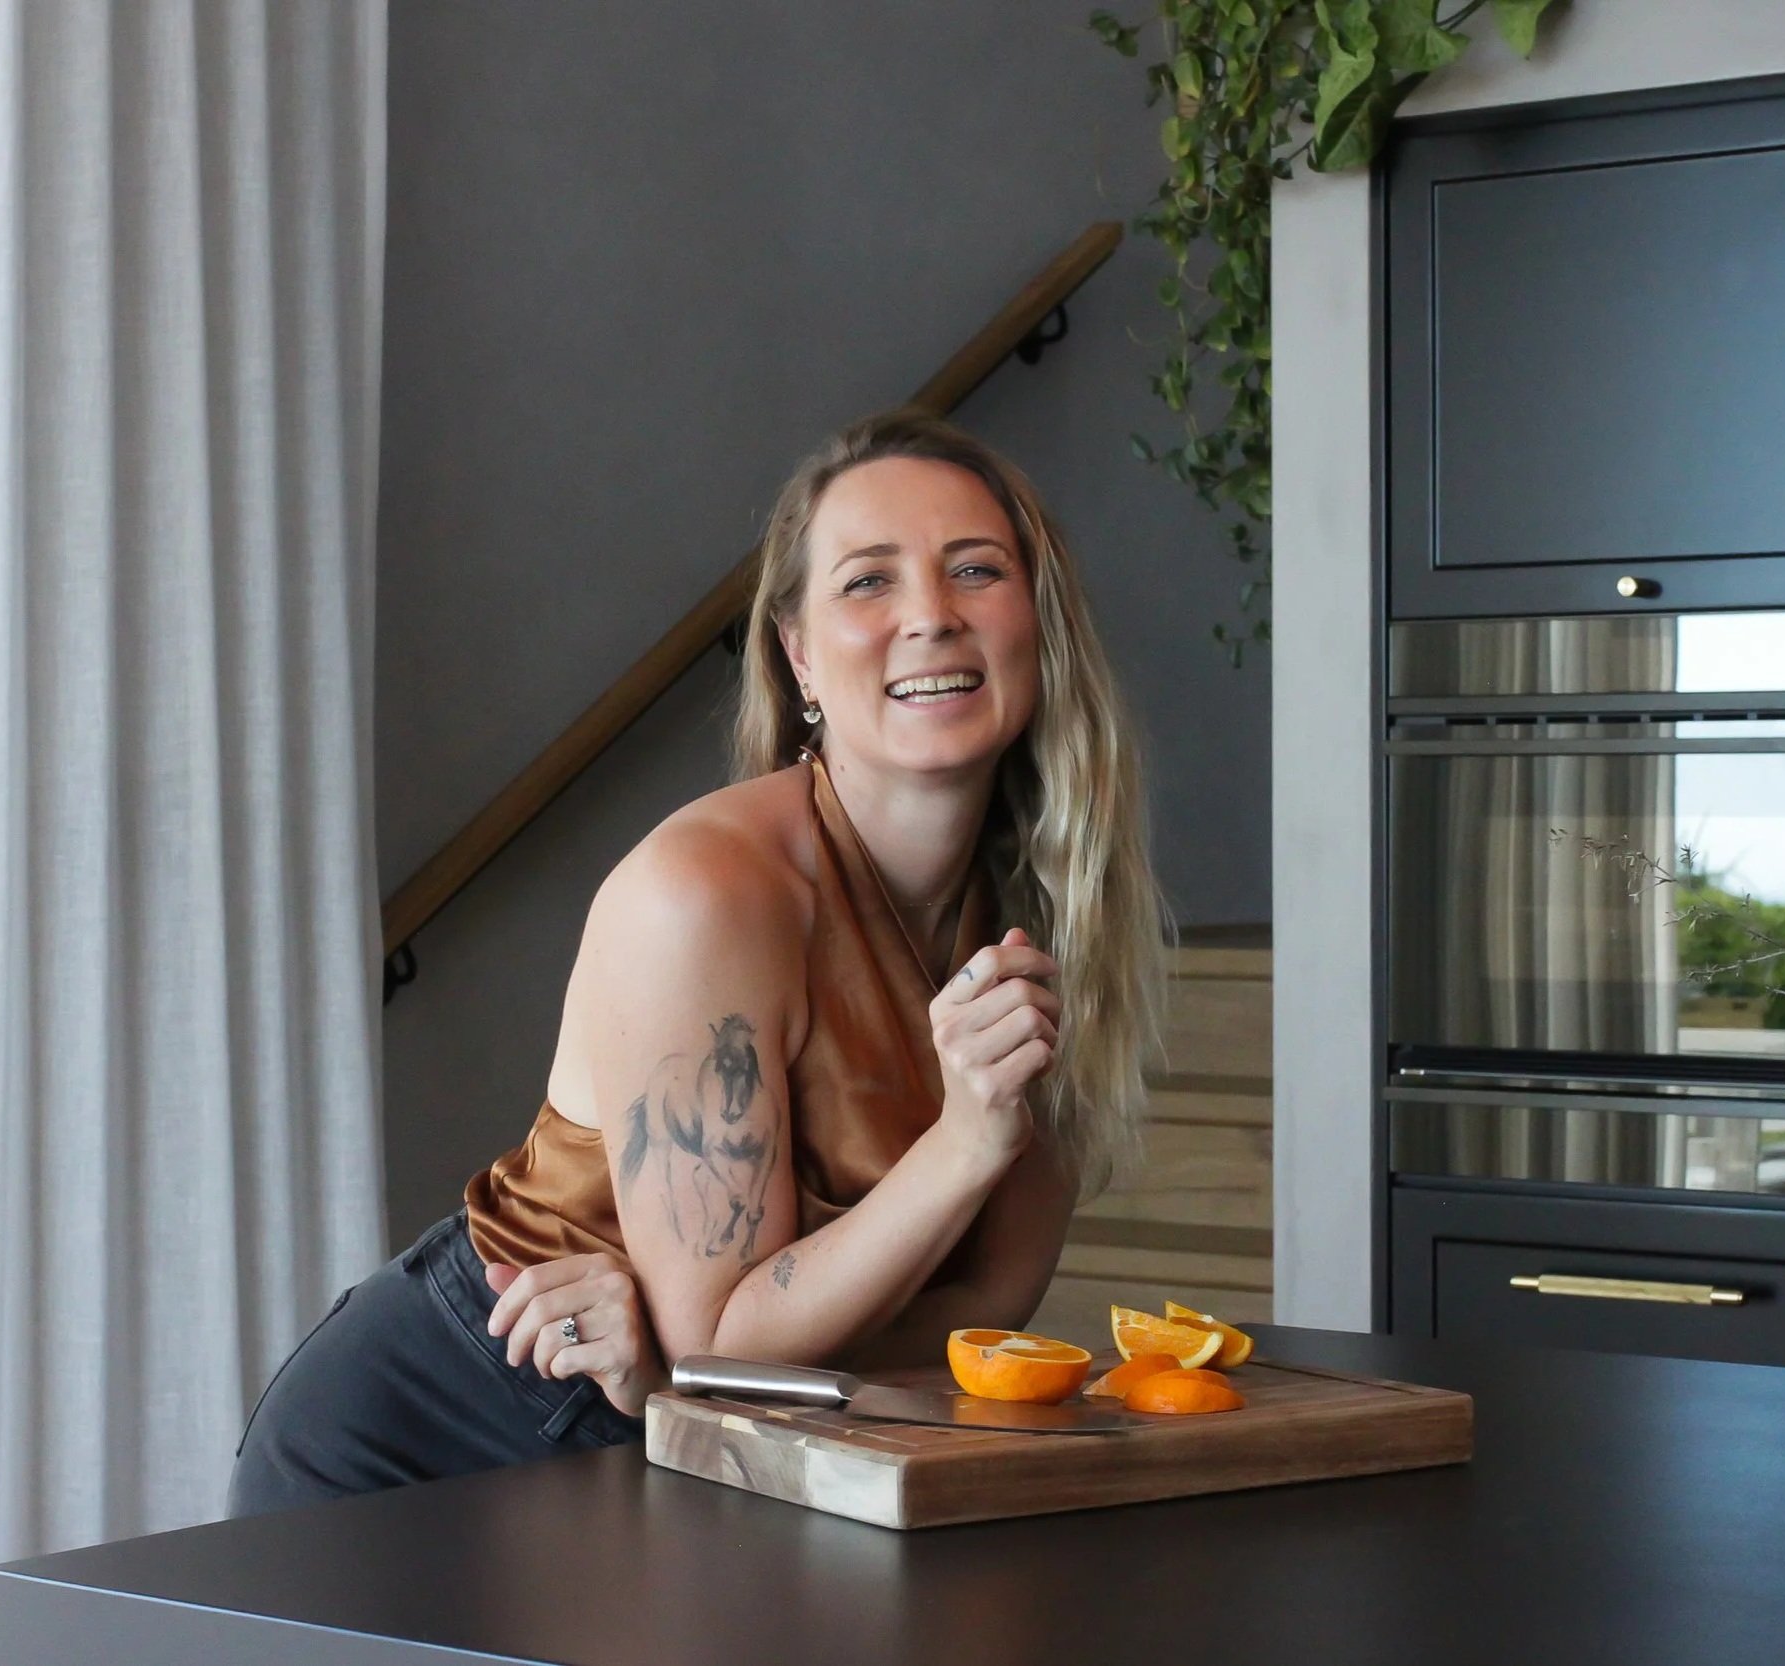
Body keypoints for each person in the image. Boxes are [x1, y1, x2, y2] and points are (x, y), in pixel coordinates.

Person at [227, 407, 1170, 1516]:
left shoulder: (1050, 901)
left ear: (1036, 627)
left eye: (974, 568)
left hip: (712, 1432)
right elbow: (722, 1335)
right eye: (868, 581)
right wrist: (964, 1142)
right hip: (439, 1435)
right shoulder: (708, 895)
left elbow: (984, 1308)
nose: (929, 615)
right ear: (800, 656)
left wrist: (729, 1360)